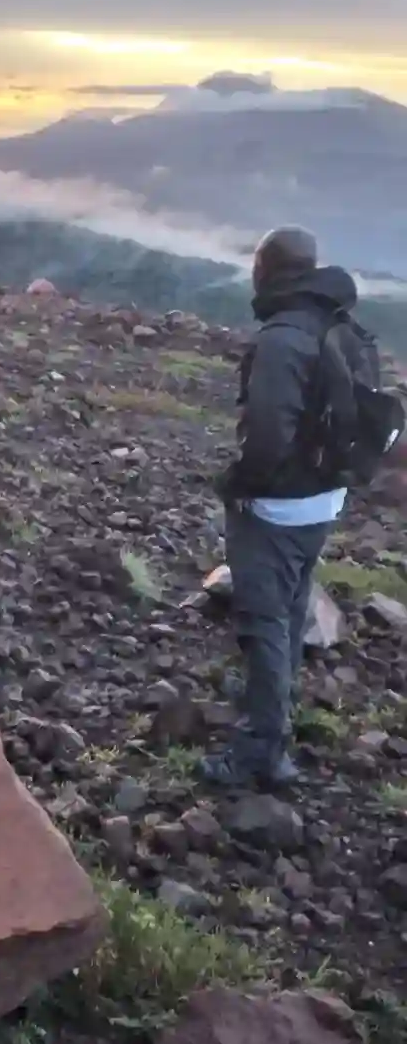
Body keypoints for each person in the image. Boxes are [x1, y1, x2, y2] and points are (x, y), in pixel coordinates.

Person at [203, 226, 373, 789]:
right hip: (325, 498)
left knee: (263, 621)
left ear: (271, 268)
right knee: (292, 605)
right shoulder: (343, 328)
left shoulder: (282, 338)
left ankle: (260, 752)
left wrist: (239, 486)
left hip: (278, 504)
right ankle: (276, 700)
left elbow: (269, 437)